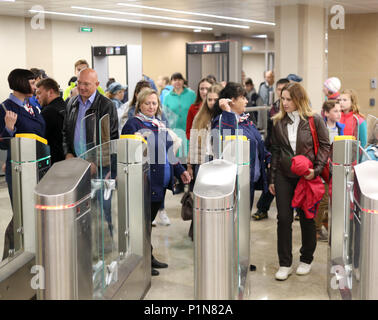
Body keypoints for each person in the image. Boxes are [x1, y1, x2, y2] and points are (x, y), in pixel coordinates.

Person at [121, 88, 191, 276]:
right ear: (140, 105)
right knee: (142, 225)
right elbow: (128, 154)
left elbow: (169, 154)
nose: (151, 106)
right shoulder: (133, 125)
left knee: (147, 223)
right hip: (145, 184)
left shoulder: (159, 124)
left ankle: (148, 256)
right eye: (147, 103)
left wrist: (181, 171)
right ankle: (142, 261)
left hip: (160, 185)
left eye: (154, 103)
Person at [269, 82, 330, 281]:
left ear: (299, 100)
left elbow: (324, 146)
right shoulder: (277, 122)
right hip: (283, 176)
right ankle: (284, 263)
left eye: (289, 99)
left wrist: (317, 169)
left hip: (307, 176)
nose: (284, 103)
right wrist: (272, 179)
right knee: (284, 219)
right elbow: (276, 152)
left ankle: (306, 259)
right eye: (282, 99)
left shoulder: (314, 120)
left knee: (307, 218)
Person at [0, 68, 46, 260]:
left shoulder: (32, 107)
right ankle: (10, 258)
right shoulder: (5, 108)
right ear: (20, 83)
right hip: (20, 169)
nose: (36, 87)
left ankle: (32, 254)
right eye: (33, 83)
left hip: (39, 166)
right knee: (21, 214)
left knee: (34, 213)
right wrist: (9, 129)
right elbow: (2, 143)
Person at [212, 82, 270, 209]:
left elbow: (257, 141)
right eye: (243, 98)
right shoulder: (221, 120)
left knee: (243, 220)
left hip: (248, 180)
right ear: (232, 100)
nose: (246, 101)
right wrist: (227, 112)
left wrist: (267, 157)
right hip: (233, 181)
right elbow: (228, 142)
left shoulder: (245, 120)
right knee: (233, 222)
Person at [186, 84, 223, 240]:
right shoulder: (199, 117)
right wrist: (189, 166)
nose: (212, 102)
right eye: (209, 99)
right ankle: (197, 231)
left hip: (218, 163)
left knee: (215, 199)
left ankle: (214, 231)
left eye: (215, 99)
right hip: (201, 161)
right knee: (199, 198)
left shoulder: (224, 118)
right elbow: (193, 144)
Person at [252, 78, 290, 221]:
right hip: (274, 150)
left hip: (291, 153)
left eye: (284, 89)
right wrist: (268, 154)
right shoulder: (274, 108)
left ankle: (298, 211)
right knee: (271, 182)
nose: (281, 92)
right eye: (279, 90)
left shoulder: (298, 109)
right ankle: (262, 208)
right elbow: (270, 134)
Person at [315, 100, 345, 242]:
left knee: (333, 200)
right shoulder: (322, 128)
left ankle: (326, 223)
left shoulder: (341, 128)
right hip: (324, 169)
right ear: (326, 113)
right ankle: (316, 229)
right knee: (324, 200)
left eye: (340, 111)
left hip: (336, 168)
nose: (339, 114)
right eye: (335, 111)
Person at [163, 72, 196, 159]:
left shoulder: (191, 94)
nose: (177, 82)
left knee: (189, 156)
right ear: (171, 82)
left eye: (179, 79)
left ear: (183, 81)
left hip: (189, 130)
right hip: (175, 131)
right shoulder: (167, 97)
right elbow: (164, 115)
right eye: (174, 80)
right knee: (176, 156)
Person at [36, 77, 66, 164]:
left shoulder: (48, 112)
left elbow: (40, 139)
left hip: (54, 163)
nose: (36, 97)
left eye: (39, 93)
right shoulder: (67, 106)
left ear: (50, 92)